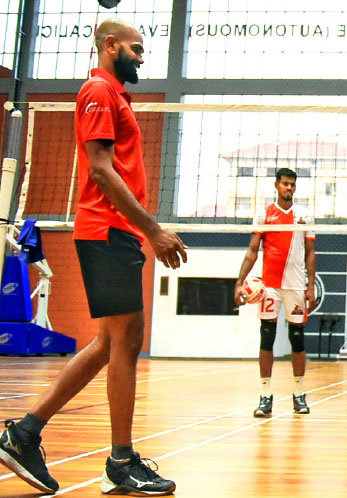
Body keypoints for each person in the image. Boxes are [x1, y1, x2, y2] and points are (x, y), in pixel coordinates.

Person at [0, 19, 186, 495]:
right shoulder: (99, 91)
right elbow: (101, 170)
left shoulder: (115, 95)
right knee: (125, 342)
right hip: (107, 230)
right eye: (136, 48)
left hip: (116, 232)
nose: (141, 57)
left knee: (109, 344)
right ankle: (120, 462)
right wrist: (153, 230)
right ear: (110, 45)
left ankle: (24, 435)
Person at [235, 168, 316, 417]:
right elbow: (252, 251)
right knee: (267, 338)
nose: (289, 188)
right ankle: (265, 396)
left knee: (297, 339)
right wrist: (239, 282)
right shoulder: (264, 214)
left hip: (296, 286)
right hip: (270, 285)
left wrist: (311, 286)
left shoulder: (304, 215)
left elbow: (310, 253)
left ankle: (299, 394)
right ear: (276, 185)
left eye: (292, 184)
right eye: (285, 184)